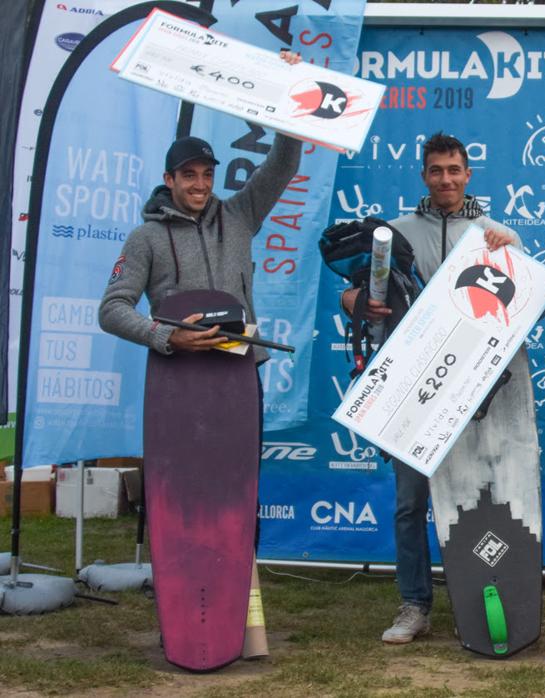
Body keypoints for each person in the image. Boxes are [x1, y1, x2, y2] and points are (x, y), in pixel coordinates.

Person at [340, 131, 522, 644]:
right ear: (424, 175)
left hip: (475, 393)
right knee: (409, 503)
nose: (446, 179)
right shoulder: (394, 232)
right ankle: (414, 605)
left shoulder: (497, 233)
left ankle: (478, 597)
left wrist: (510, 255)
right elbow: (352, 296)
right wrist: (356, 301)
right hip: (409, 389)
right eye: (436, 170)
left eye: (454, 170)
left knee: (478, 499)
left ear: (468, 174)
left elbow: (516, 302)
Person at [100, 52, 304, 356]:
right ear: (169, 179)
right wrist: (165, 334)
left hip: (239, 365)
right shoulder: (145, 238)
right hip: (178, 368)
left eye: (207, 174)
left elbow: (283, 165)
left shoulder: (240, 214)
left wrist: (293, 84)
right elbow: (112, 309)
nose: (200, 184)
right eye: (189, 175)